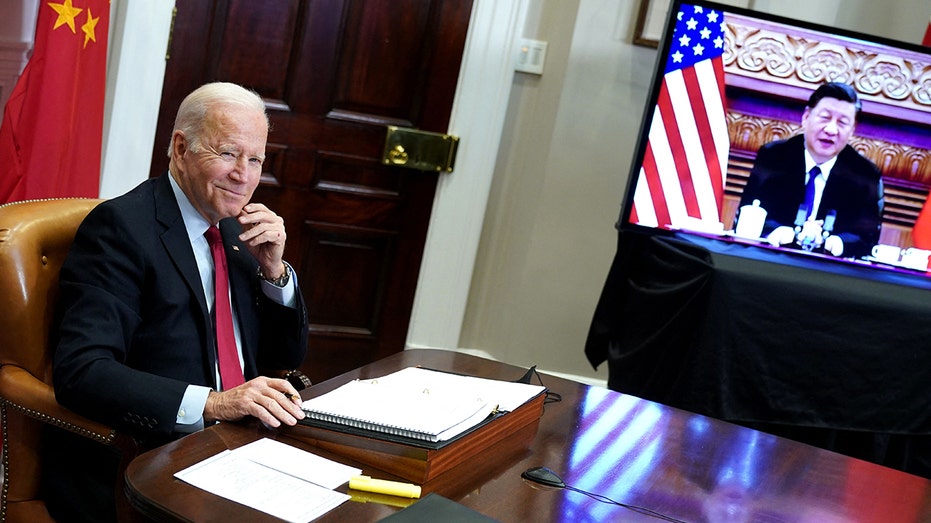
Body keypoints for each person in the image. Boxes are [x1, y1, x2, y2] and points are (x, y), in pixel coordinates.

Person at [42, 82, 309, 522]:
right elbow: (83, 370)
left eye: (255, 158)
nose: (243, 175)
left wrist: (274, 274)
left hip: (243, 448)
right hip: (155, 460)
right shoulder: (121, 229)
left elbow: (285, 357)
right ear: (181, 148)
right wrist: (213, 403)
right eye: (227, 153)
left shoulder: (235, 231)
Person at [737, 82, 883, 259]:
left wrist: (835, 243)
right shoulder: (774, 156)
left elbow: (866, 239)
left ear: (852, 130)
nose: (831, 130)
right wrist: (783, 233)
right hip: (772, 260)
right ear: (806, 117)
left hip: (829, 272)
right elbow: (749, 213)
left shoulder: (865, 174)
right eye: (824, 117)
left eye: (842, 123)